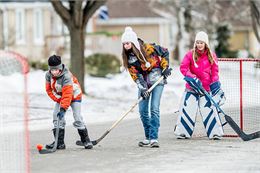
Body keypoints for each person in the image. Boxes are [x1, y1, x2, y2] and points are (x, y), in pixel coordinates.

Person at [121, 26, 171, 148]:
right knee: (143, 110)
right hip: (144, 83)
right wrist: (143, 88)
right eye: (124, 44)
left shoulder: (148, 48)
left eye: (127, 43)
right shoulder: (129, 58)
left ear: (133, 42)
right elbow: (135, 75)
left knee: (154, 108)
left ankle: (154, 137)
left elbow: (165, 52)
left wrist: (165, 68)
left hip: (157, 80)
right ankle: (148, 137)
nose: (125, 46)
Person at [174, 31, 226, 140]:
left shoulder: (212, 55)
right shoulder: (190, 54)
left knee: (209, 110)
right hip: (192, 88)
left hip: (205, 89)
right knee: (188, 109)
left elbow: (215, 72)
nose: (199, 44)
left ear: (206, 43)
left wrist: (215, 84)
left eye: (201, 42)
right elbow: (183, 68)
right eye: (197, 42)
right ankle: (182, 132)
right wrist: (192, 77)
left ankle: (215, 133)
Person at [45, 55, 93, 149]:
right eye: (52, 70)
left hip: (74, 96)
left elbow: (68, 94)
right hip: (61, 97)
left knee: (77, 116)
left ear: (60, 68)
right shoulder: (48, 75)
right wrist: (59, 100)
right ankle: (59, 142)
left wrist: (63, 108)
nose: (54, 72)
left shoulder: (67, 76)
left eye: (56, 70)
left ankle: (86, 140)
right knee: (56, 115)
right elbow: (49, 90)